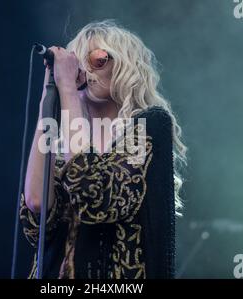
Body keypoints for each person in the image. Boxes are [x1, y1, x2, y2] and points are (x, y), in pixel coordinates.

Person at [19, 20, 187, 279]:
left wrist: (67, 90)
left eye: (98, 59)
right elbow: (36, 203)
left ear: (127, 66)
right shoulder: (64, 139)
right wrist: (48, 95)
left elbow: (95, 193)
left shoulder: (149, 124)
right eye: (77, 63)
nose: (85, 69)